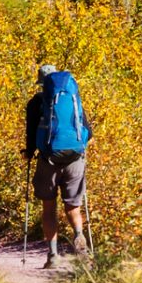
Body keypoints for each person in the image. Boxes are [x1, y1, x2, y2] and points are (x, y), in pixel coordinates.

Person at [22, 64, 92, 267]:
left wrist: (29, 152)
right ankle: (80, 242)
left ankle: (52, 256)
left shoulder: (36, 103)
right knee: (73, 207)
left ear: (42, 83)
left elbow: (31, 134)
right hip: (75, 159)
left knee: (49, 208)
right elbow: (89, 133)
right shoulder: (73, 98)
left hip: (49, 160)